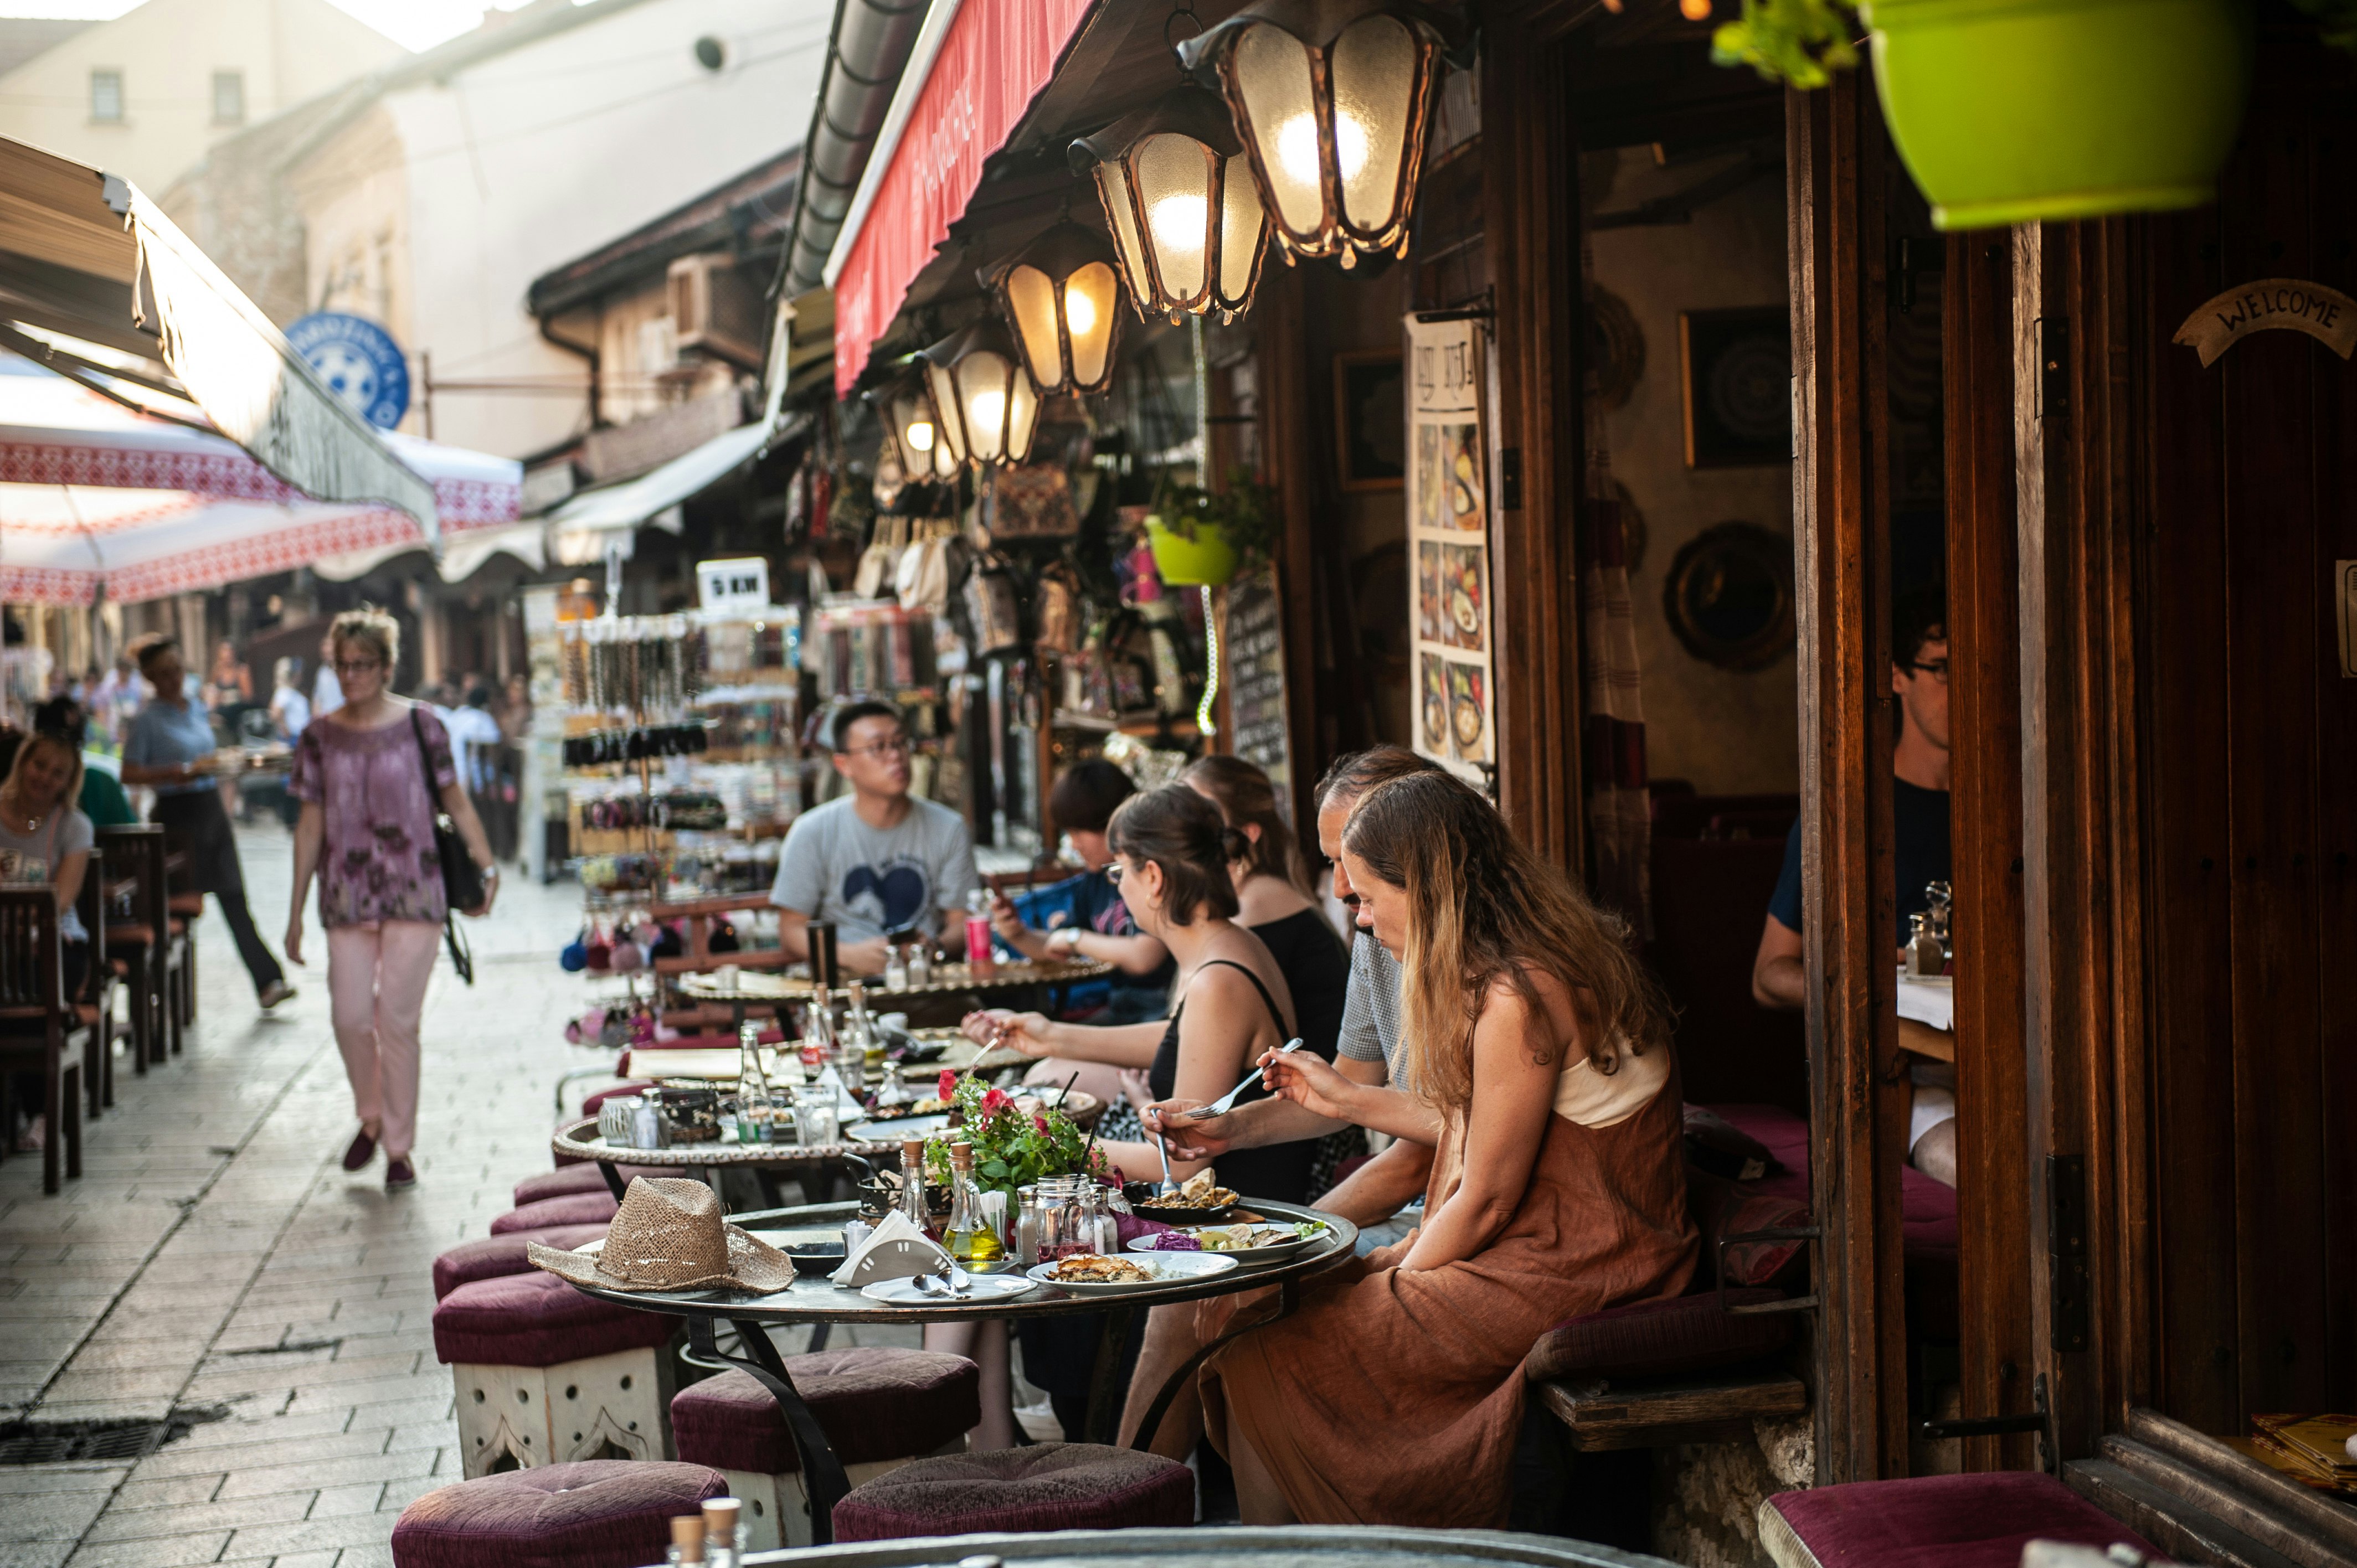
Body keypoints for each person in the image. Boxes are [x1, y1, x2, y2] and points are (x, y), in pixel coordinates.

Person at [1194, 770, 1697, 1526]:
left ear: (1428, 888)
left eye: (1366, 897)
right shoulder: (1517, 967)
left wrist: (1388, 1279)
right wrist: (1346, 1101)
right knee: (1252, 1330)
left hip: (1582, 1261)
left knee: (1269, 1351)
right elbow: (1484, 1145)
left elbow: (1489, 1199)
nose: (1359, 920)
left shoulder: (1519, 994)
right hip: (1541, 1245)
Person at [963, 783, 1326, 1200]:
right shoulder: (1231, 944)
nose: (1117, 888)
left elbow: (1181, 1161)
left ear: (1152, 877)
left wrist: (1044, 1138)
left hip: (1234, 1226)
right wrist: (1050, 1035)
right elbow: (1188, 1039)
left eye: (1119, 873)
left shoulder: (1216, 979)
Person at [285, 607, 497, 1192]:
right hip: (346, 895)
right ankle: (371, 1116)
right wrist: (293, 913)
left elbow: (456, 800)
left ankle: (398, 1147)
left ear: (386, 666)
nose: (352, 675)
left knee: (397, 1022)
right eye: (343, 665)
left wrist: (486, 863)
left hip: (415, 889)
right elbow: (309, 827)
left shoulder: (424, 725)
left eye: (363, 665)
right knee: (351, 1017)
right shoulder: (318, 736)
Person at [1752, 584, 1955, 1182]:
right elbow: (1769, 977)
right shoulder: (1849, 814)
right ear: (1896, 676)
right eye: (1941, 670)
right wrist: (1864, 974)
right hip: (1914, 1079)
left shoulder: (2011, 803)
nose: (1961, 689)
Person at [121, 633, 294, 1011]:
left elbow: (209, 756)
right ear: (151, 677)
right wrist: (174, 773)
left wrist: (228, 764)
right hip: (177, 817)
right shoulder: (147, 721)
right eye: (164, 673)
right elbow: (129, 772)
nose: (173, 679)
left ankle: (268, 981)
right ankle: (158, 998)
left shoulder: (195, 709)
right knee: (178, 908)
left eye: (178, 670)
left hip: (210, 808)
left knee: (234, 895)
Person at [768, 701, 978, 976]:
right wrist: (849, 955)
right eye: (878, 747)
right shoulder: (812, 832)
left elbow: (961, 921)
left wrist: (932, 947)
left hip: (923, 983)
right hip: (846, 987)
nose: (896, 756)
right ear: (844, 764)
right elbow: (791, 929)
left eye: (901, 743)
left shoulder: (948, 827)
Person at [991, 760, 1172, 1027]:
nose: (1074, 845)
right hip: (1123, 1008)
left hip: (1160, 1012)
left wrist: (1075, 939)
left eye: (1078, 831)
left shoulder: (1151, 873)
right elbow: (1054, 946)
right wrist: (1017, 933)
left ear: (1113, 821)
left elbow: (1145, 957)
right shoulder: (1096, 880)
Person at [0, 730, 96, 1151]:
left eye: (58, 774)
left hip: (54, 945)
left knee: (31, 987)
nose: (45, 778)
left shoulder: (73, 826)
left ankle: (42, 1111)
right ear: (23, 764)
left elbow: (62, 899)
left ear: (68, 782)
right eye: (39, 766)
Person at [32, 698, 135, 828]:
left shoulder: (30, 782)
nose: (47, 777)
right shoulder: (103, 783)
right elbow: (132, 834)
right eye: (40, 766)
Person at [269, 658, 311, 744]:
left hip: (302, 737)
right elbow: (275, 713)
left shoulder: (296, 693)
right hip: (292, 738)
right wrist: (285, 730)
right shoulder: (284, 691)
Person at [200, 639, 251, 709]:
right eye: (225, 651)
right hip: (219, 708)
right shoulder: (217, 670)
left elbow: (248, 697)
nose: (228, 654)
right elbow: (212, 688)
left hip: (236, 708)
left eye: (230, 651)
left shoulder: (241, 670)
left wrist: (225, 697)